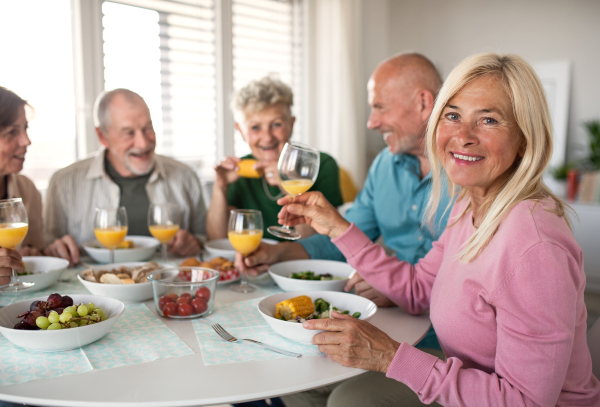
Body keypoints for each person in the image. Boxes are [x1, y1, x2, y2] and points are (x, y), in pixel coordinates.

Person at [277, 53, 600, 405]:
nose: (462, 136)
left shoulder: (534, 248)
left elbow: (526, 402)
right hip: (468, 379)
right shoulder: (468, 206)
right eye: (453, 116)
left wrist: (388, 356)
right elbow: (418, 291)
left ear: (525, 139)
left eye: (488, 120)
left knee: (347, 399)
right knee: (311, 381)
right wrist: (338, 228)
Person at [238, 53, 451, 407]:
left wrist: (395, 283)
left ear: (423, 102)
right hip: (388, 325)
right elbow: (340, 239)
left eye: (379, 107)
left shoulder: (467, 175)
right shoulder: (384, 165)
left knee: (346, 399)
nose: (371, 122)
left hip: (443, 344)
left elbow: (468, 283)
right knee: (291, 375)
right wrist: (275, 253)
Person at [44, 89, 206, 264]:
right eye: (129, 133)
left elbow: (205, 238)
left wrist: (195, 242)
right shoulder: (63, 183)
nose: (143, 143)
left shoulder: (186, 176)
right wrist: (54, 248)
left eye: (148, 128)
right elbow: (47, 246)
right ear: (102, 136)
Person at [206, 76, 343, 242]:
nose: (267, 137)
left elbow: (319, 241)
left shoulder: (322, 165)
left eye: (277, 124)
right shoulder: (236, 172)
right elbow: (216, 241)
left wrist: (289, 184)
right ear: (240, 130)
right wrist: (220, 187)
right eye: (255, 127)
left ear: (291, 124)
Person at [0, 87, 77, 286]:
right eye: (11, 132)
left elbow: (32, 253)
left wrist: (43, 253)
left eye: (25, 128)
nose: (27, 140)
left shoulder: (27, 191)